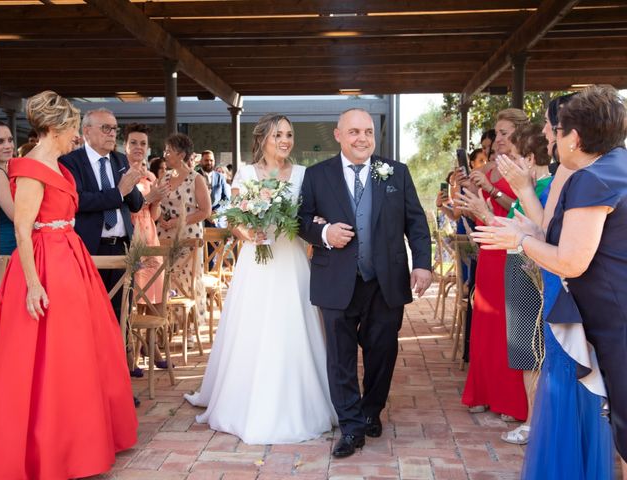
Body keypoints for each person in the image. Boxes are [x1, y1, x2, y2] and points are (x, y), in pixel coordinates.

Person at [473, 85, 625, 478]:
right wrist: (532, 230)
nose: (549, 137)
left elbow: (572, 261)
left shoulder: (591, 180)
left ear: (573, 138)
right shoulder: (618, 165)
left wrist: (521, 240)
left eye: (556, 130)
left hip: (611, 320)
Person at [0, 90, 137, 479]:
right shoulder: (30, 168)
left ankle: (82, 442)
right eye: (72, 126)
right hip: (45, 264)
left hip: (72, 260)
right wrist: (34, 285)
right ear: (54, 127)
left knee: (84, 351)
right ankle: (51, 448)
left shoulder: (61, 165)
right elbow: (23, 228)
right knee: (54, 357)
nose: (76, 134)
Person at [185, 114, 337, 444]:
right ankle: (246, 401)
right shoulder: (246, 173)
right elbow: (234, 219)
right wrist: (248, 233)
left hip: (292, 259)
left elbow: (310, 215)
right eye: (278, 134)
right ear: (263, 138)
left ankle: (303, 401)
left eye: (289, 134)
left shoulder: (302, 175)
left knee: (292, 324)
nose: (285, 140)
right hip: (257, 261)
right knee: (254, 327)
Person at [298, 108, 432, 458]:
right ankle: (352, 427)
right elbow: (299, 221)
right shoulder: (317, 175)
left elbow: (416, 222)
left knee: (382, 352)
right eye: (354, 132)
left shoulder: (396, 173)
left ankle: (372, 410)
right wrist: (325, 232)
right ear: (338, 135)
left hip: (384, 281)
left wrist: (422, 265)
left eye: (368, 132)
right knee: (339, 358)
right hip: (335, 280)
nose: (362, 139)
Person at [459, 108, 527, 422]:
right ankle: (482, 393)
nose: (496, 139)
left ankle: (510, 399)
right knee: (485, 322)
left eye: (503, 133)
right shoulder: (486, 169)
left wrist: (490, 189)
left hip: (515, 249)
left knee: (510, 326)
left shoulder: (526, 167)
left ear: (520, 134)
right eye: (496, 133)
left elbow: (524, 209)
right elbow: (481, 215)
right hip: (489, 249)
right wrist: (471, 195)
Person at [59, 108, 144, 320]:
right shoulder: (71, 162)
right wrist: (118, 193)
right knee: (88, 313)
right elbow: (78, 201)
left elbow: (136, 205)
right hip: (90, 248)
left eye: (115, 129)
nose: (112, 133)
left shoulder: (120, 160)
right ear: (86, 131)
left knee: (121, 312)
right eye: (106, 128)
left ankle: (121, 354)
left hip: (122, 247)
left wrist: (132, 185)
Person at [124, 123, 171, 374]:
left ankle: (150, 348)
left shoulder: (150, 176)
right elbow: (128, 208)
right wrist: (149, 198)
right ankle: (130, 351)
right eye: (133, 143)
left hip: (148, 233)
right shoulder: (121, 173)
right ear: (125, 145)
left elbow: (153, 215)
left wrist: (158, 198)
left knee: (149, 298)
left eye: (142, 143)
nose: (138, 147)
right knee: (131, 298)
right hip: (131, 236)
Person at [157, 133, 211, 341]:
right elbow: (158, 204)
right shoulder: (164, 178)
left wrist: (180, 221)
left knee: (188, 281)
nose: (165, 155)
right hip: (165, 235)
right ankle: (168, 326)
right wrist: (162, 218)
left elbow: (205, 211)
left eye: (168, 151)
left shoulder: (196, 178)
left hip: (189, 236)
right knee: (167, 280)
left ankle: (189, 328)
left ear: (180, 154)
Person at [0, 121, 16, 254]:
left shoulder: (7, 169)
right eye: (0, 141)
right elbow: (15, 214)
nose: (8, 146)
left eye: (10, 140)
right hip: (7, 245)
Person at [199, 149, 230, 228]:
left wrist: (217, 212)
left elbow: (226, 199)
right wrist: (206, 214)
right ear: (201, 161)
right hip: (199, 221)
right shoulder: (194, 176)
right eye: (206, 160)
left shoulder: (220, 177)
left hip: (216, 221)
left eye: (211, 160)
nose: (209, 162)